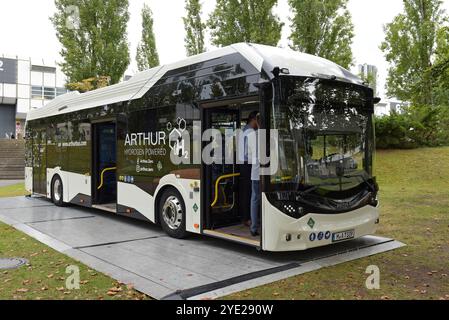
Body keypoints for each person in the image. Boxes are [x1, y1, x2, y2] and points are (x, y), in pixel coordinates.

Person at [238, 111, 259, 227]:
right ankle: (248, 219)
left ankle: (247, 218)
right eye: (258, 120)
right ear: (254, 119)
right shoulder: (250, 132)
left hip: (243, 163)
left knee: (246, 192)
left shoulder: (243, 130)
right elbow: (248, 152)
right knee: (250, 193)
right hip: (248, 164)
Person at [248, 113, 261, 237]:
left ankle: (254, 227)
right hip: (270, 174)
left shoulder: (252, 135)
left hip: (255, 173)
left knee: (255, 199)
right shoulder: (270, 135)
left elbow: (248, 154)